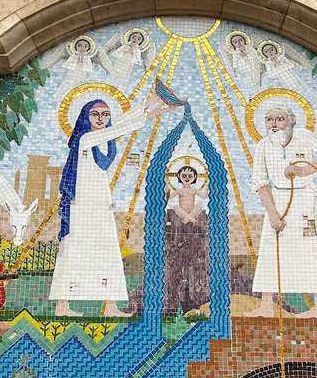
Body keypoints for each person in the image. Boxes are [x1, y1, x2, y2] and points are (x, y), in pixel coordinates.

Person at [50, 93, 179, 317]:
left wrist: (154, 109)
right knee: (73, 251)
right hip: (81, 206)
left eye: (105, 114)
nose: (101, 118)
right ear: (86, 117)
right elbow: (119, 127)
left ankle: (110, 306)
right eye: (95, 114)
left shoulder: (104, 142)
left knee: (107, 251)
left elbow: (117, 125)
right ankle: (63, 306)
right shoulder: (85, 138)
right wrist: (150, 106)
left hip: (101, 203)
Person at [247, 106, 317, 318]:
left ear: (292, 120)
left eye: (279, 119)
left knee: (311, 248)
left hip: (304, 197)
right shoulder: (263, 146)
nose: (274, 124)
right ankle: (267, 305)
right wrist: (273, 215)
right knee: (270, 249)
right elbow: (260, 182)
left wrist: (304, 170)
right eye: (269, 119)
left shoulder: (304, 135)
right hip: (276, 199)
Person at [164, 164, 210, 314]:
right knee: (176, 208)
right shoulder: (179, 190)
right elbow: (169, 197)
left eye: (190, 176)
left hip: (192, 215)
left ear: (194, 177)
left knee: (199, 205)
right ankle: (188, 218)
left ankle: (189, 218)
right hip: (182, 215)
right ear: (179, 177)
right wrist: (166, 188)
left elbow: (203, 196)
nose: (187, 178)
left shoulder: (194, 190)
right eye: (184, 176)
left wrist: (208, 185)